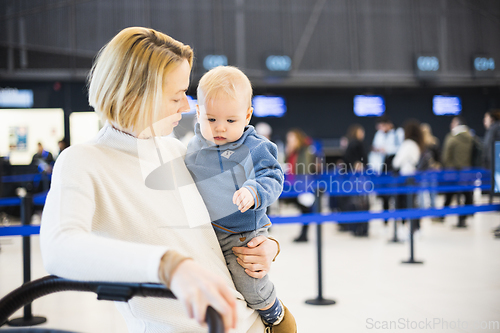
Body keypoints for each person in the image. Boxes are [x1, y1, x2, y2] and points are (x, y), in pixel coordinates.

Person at [40, 27, 280, 333]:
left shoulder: (177, 151)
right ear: (138, 94)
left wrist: (267, 245)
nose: (186, 107)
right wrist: (168, 265)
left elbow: (214, 233)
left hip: (249, 322)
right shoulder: (83, 161)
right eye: (177, 96)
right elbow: (59, 248)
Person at [185, 66, 295, 332]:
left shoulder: (255, 146)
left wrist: (253, 190)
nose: (220, 128)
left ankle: (272, 310)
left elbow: (272, 176)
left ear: (247, 116)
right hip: (209, 233)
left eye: (231, 121)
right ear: (198, 112)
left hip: (242, 233)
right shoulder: (193, 146)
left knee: (249, 284)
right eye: (211, 119)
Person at [369, 116, 404, 225]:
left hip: (394, 168)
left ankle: (400, 220)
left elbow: (400, 149)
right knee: (384, 196)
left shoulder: (397, 133)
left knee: (398, 195)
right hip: (382, 168)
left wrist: (387, 150)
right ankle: (385, 220)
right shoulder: (379, 134)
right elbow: (374, 149)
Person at [440, 116, 474, 228]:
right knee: (467, 194)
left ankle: (442, 215)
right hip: (467, 171)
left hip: (453, 172)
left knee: (449, 194)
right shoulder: (470, 137)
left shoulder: (452, 138)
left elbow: (446, 156)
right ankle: (464, 217)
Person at [285, 128, 317, 242]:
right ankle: (303, 234)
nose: (289, 142)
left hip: (304, 185)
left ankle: (304, 235)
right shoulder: (294, 151)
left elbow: (305, 168)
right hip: (296, 185)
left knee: (306, 210)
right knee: (304, 210)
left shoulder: (306, 150)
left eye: (291, 139)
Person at [393, 119, 423, 232]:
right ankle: (416, 228)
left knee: (404, 203)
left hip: (405, 177)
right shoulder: (417, 144)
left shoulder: (407, 144)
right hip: (414, 176)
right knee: (413, 203)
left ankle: (406, 228)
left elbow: (396, 162)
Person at [340, 124, 369, 236]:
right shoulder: (357, 144)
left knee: (354, 202)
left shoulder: (350, 144)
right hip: (357, 179)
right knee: (360, 203)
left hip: (351, 179)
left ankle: (354, 227)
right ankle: (361, 228)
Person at [417, 123, 441, 209]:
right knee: (432, 191)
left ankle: (422, 209)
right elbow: (438, 157)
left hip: (423, 170)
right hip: (432, 170)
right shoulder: (433, 141)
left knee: (422, 191)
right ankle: (433, 209)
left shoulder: (420, 144)